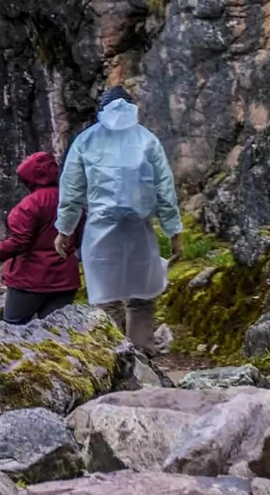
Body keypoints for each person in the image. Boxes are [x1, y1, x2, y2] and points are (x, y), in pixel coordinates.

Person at [56, 86, 182, 351]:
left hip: (100, 231)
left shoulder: (86, 141)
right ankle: (142, 351)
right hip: (139, 230)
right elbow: (165, 190)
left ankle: (115, 357)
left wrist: (64, 230)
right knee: (142, 295)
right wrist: (174, 232)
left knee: (107, 297)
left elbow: (72, 191)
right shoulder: (147, 140)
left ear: (102, 110)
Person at [0, 152, 83, 325]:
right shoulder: (72, 202)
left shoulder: (29, 205)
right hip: (64, 279)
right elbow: (81, 236)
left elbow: (19, 242)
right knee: (58, 333)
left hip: (30, 281)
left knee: (12, 328)